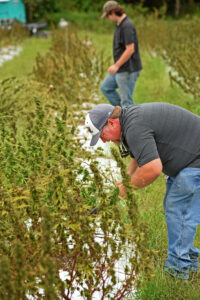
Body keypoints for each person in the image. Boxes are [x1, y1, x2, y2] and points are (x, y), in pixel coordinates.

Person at [85, 102, 200, 280]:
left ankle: (177, 271)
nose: (104, 140)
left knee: (179, 210)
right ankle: (189, 261)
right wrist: (126, 179)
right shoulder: (130, 119)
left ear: (112, 123)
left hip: (195, 162)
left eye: (102, 134)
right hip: (189, 159)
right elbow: (141, 156)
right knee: (177, 209)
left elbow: (152, 169)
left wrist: (123, 190)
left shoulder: (134, 127)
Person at [100, 1, 142, 108]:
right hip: (121, 69)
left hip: (128, 69)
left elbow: (130, 49)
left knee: (126, 102)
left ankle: (130, 118)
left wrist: (116, 65)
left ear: (113, 12)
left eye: (108, 16)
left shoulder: (127, 26)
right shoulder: (120, 25)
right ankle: (123, 112)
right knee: (106, 88)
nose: (108, 19)